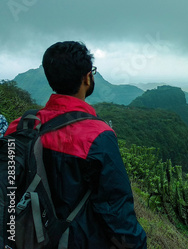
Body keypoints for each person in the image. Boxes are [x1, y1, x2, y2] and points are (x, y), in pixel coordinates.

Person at [5, 41, 147, 248]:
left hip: (24, 236)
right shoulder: (98, 137)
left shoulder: (20, 126)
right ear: (87, 77)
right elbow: (117, 211)